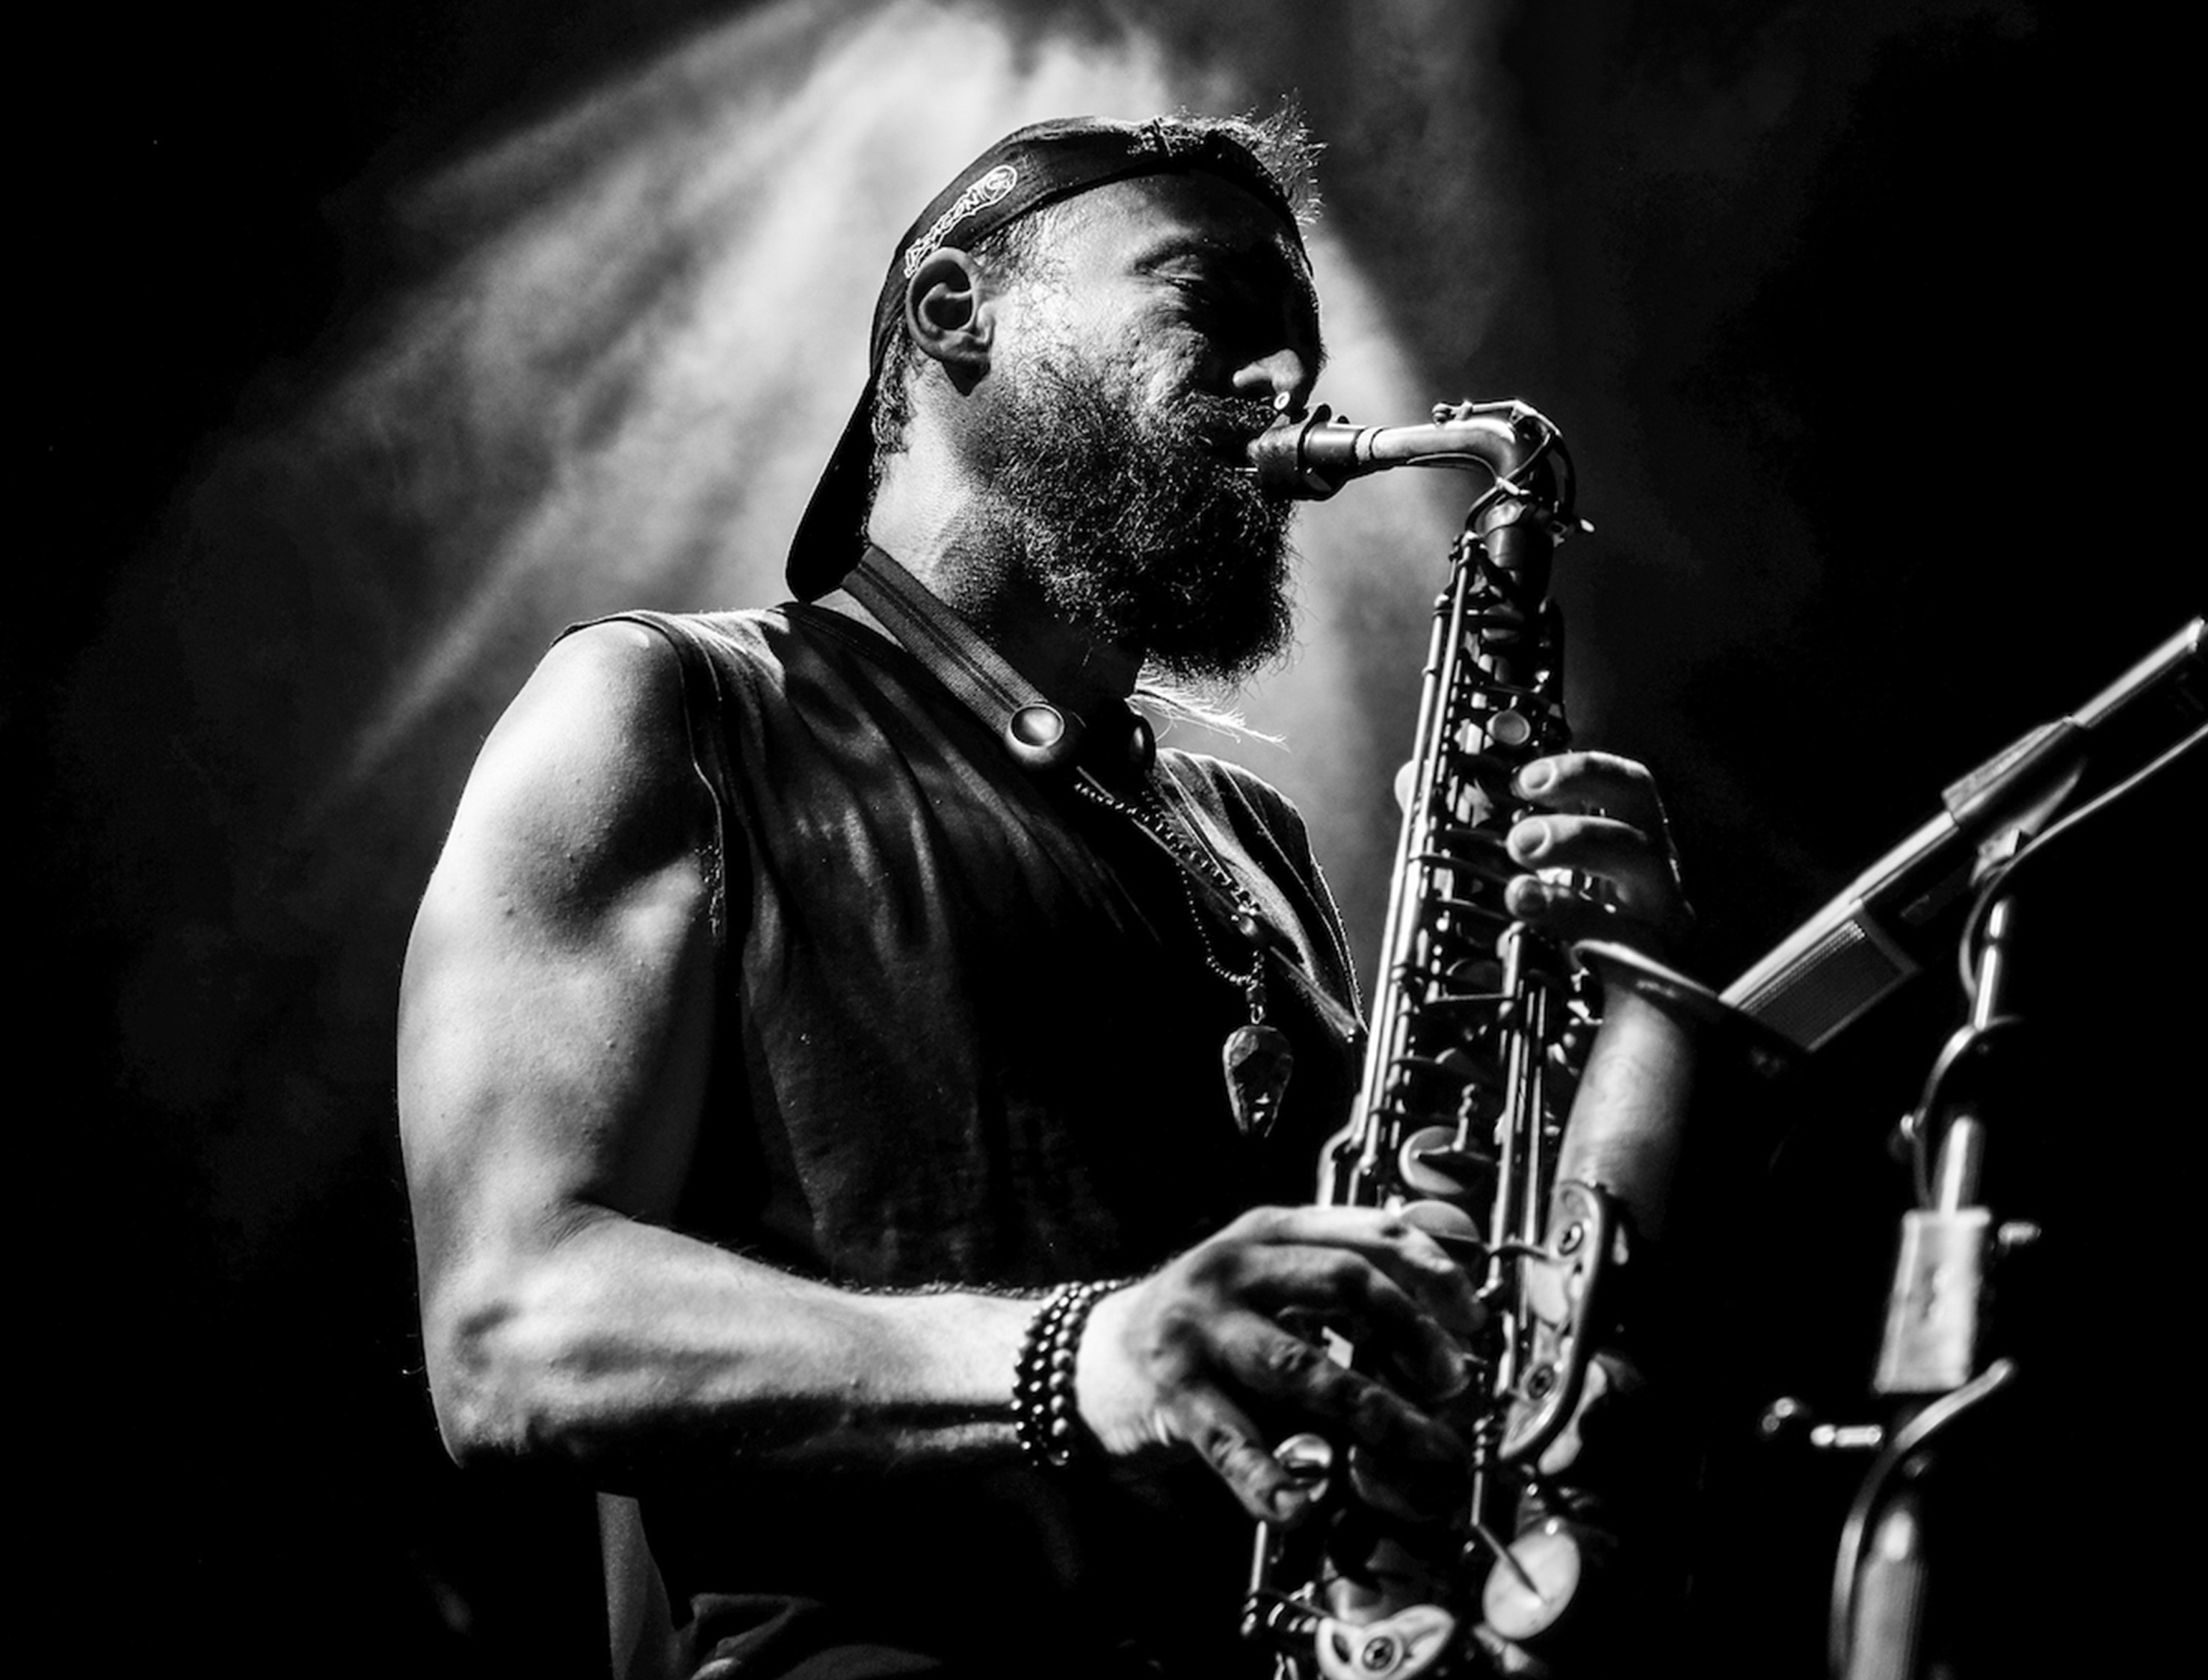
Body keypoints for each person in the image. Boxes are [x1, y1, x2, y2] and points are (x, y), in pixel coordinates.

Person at [399, 110, 1691, 1679]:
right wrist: (1087, 1354)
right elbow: (511, 1331)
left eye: (1304, 346)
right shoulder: (663, 707)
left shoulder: (1256, 838)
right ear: (956, 312)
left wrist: (1634, 1013)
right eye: (1213, 303)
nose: (1292, 381)